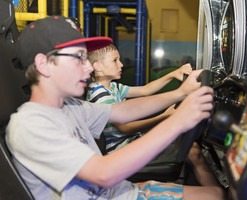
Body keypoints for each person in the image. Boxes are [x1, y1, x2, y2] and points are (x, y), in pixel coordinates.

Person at [6, 16, 225, 200]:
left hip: (123, 191)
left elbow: (125, 111)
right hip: (116, 191)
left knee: (216, 194)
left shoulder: (70, 107)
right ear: (44, 64)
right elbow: (103, 174)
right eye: (78, 57)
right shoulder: (29, 125)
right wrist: (177, 121)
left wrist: (180, 93)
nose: (89, 67)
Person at [86, 44, 193, 153]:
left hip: (132, 141)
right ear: (98, 66)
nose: (121, 64)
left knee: (188, 145)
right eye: (115, 60)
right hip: (121, 151)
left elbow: (146, 90)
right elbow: (125, 128)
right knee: (191, 150)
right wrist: (164, 116)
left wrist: (173, 74)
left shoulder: (113, 87)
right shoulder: (99, 93)